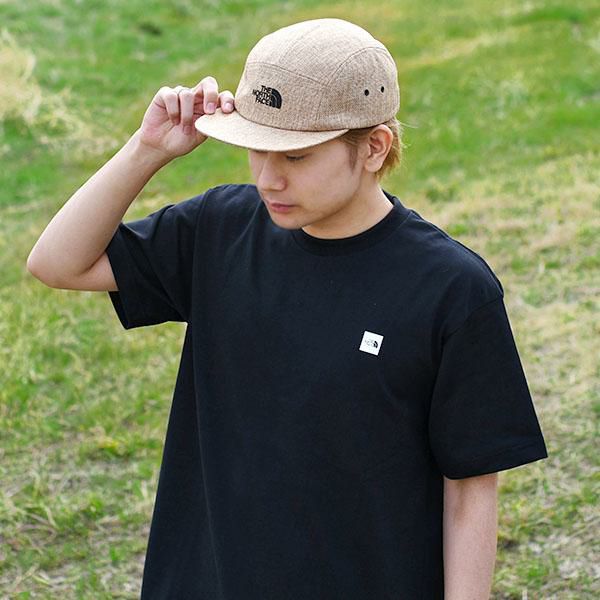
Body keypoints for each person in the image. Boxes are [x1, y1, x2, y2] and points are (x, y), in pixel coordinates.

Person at [27, 17, 548, 600]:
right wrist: (145, 152)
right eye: (257, 149)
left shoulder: (452, 289)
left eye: (296, 157)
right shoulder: (219, 229)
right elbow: (58, 263)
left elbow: (470, 488)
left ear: (374, 147)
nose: (268, 179)